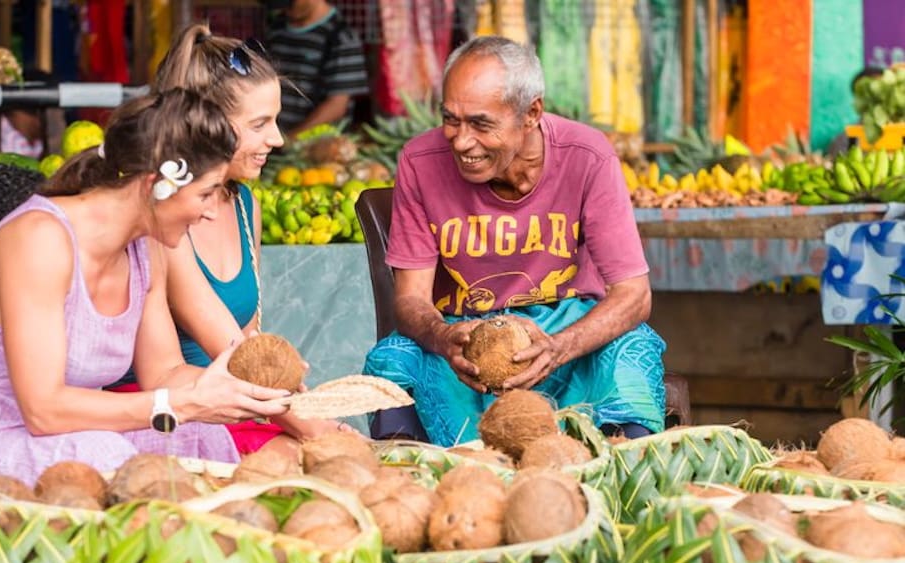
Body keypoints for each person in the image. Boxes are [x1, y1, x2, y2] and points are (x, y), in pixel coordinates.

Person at [0, 89, 292, 563]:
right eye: (205, 194)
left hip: (45, 433)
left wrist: (231, 387)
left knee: (198, 440)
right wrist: (181, 403)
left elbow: (164, 377)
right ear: (157, 185)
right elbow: (42, 410)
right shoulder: (40, 239)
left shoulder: (147, 247)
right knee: (102, 456)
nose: (206, 214)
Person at [363, 36, 666, 447]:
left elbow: (634, 295)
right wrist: (441, 337)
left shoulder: (587, 156)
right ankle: (408, 485)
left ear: (531, 114)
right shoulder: (420, 161)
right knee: (393, 360)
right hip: (464, 335)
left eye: (481, 124)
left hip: (568, 330)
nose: (461, 140)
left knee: (632, 347)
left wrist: (559, 347)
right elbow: (411, 299)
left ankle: (618, 477)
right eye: (451, 119)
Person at [138, 23, 356, 451]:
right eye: (260, 124)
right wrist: (315, 427)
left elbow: (253, 345)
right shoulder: (166, 211)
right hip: (181, 412)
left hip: (239, 401)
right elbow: (235, 350)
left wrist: (309, 411)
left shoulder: (245, 205)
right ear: (209, 125)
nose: (276, 138)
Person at [265, 0, 369, 138]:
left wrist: (291, 139)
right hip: (275, 140)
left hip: (317, 145)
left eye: (290, 3)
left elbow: (337, 105)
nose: (286, 10)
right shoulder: (276, 30)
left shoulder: (341, 37)